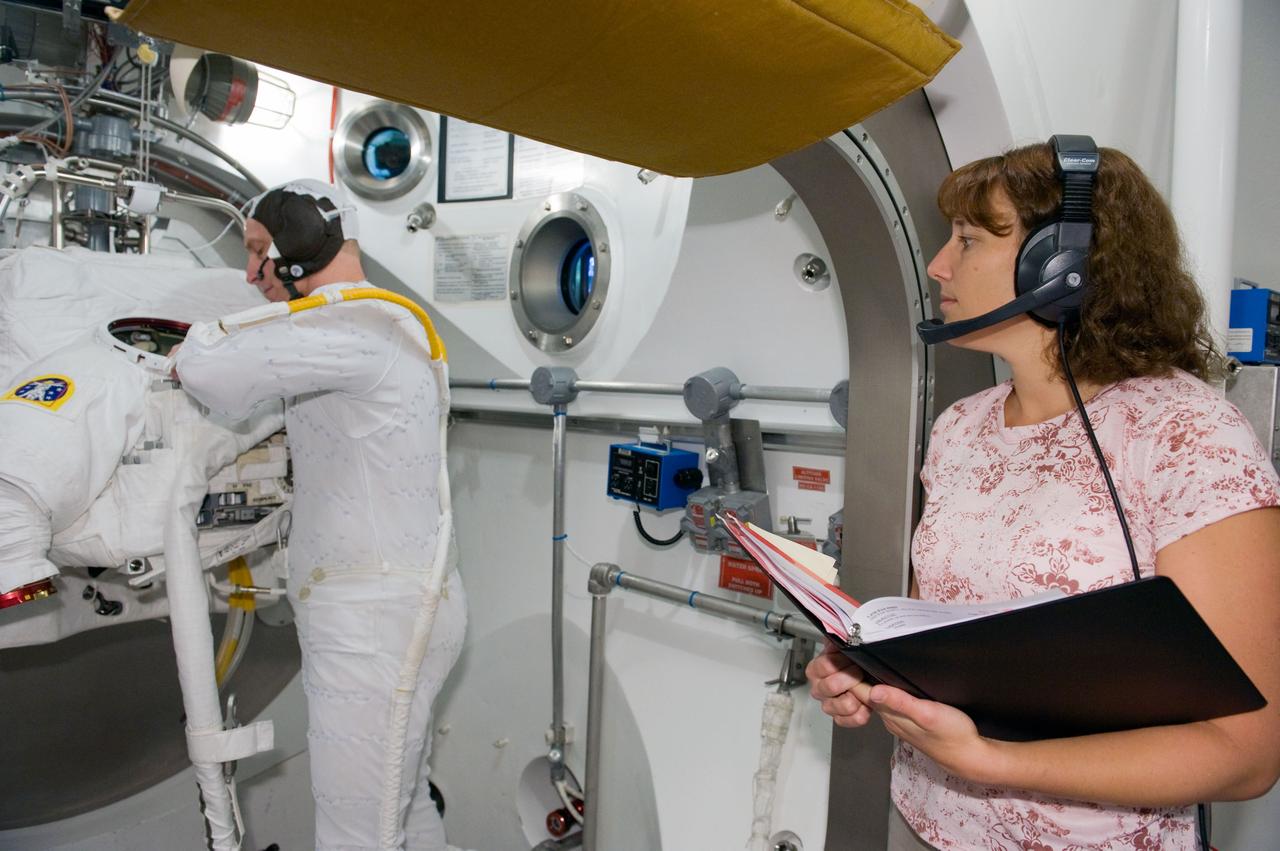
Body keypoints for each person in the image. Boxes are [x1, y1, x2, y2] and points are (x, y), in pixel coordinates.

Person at [807, 139, 1280, 850]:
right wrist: (870, 668)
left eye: (968, 239)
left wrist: (993, 760)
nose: (939, 264)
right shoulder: (961, 427)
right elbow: (943, 626)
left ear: (1060, 264)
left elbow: (1245, 752)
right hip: (925, 822)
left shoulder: (1186, 434)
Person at [173, 179, 467, 851]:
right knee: (403, 811)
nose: (250, 273)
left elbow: (211, 373)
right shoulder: (381, 323)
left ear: (300, 245)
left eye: (258, 251)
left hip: (371, 626)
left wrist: (182, 351)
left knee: (354, 834)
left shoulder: (341, 328)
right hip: (407, 607)